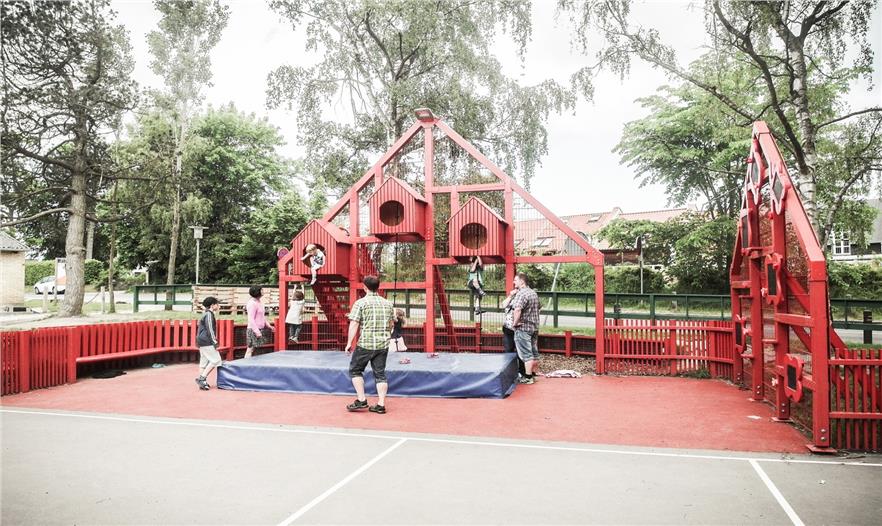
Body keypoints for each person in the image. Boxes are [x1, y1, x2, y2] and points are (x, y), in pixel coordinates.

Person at [344, 275, 394, 414]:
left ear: (364, 287)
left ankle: (361, 400)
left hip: (365, 344)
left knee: (355, 370)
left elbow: (354, 323)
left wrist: (349, 343)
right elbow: (391, 324)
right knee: (380, 374)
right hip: (382, 345)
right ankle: (381, 404)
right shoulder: (388, 304)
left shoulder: (360, 303)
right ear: (378, 287)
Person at [511, 272, 541, 384]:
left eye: (515, 280)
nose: (514, 282)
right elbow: (539, 308)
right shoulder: (533, 293)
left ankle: (528, 377)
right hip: (534, 327)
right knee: (534, 352)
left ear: (522, 281)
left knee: (526, 353)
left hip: (523, 328)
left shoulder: (521, 294)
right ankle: (533, 374)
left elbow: (517, 309)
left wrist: (515, 323)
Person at [195, 296, 222, 390]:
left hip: (201, 341)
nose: (218, 306)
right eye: (217, 304)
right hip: (207, 341)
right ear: (212, 305)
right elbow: (210, 329)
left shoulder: (205, 314)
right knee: (216, 360)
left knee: (203, 362)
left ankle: (202, 382)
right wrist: (215, 342)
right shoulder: (209, 315)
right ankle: (202, 379)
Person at [501, 285, 527, 378]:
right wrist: (510, 296)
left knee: (521, 351)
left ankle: (522, 372)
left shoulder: (524, 299)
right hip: (508, 328)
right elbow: (503, 305)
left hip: (519, 328)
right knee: (508, 350)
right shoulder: (511, 299)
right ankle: (509, 371)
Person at [245, 285, 273, 359]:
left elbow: (262, 316)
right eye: (261, 290)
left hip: (259, 329)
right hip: (253, 329)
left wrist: (268, 325)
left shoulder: (259, 302)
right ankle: (246, 363)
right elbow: (251, 319)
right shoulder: (252, 303)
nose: (263, 291)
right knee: (250, 349)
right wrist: (257, 332)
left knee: (254, 349)